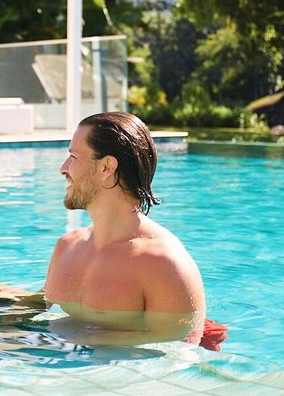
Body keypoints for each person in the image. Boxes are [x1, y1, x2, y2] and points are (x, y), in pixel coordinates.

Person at [42, 111, 225, 348]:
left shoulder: (163, 264)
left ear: (107, 167)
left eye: (73, 157)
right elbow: (34, 312)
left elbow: (177, 354)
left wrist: (76, 343)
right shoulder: (67, 247)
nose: (63, 169)